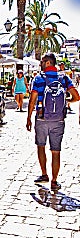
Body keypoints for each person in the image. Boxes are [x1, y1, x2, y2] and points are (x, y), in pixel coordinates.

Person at [27, 53, 79, 191]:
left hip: (41, 118)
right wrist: (66, 102)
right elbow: (76, 96)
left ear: (48, 63)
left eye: (42, 62)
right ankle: (54, 181)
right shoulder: (64, 78)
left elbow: (32, 100)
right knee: (56, 151)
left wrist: (28, 118)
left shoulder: (38, 78)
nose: (40, 64)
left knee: (41, 146)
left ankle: (44, 174)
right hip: (58, 120)